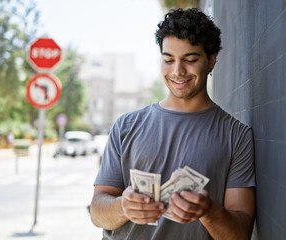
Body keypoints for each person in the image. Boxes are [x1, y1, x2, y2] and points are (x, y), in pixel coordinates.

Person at [90, 8, 256, 240]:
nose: (177, 71)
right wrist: (122, 207)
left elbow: (240, 234)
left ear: (211, 60)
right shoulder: (126, 126)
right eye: (168, 60)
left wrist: (209, 211)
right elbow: (97, 213)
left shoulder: (236, 135)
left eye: (190, 59)